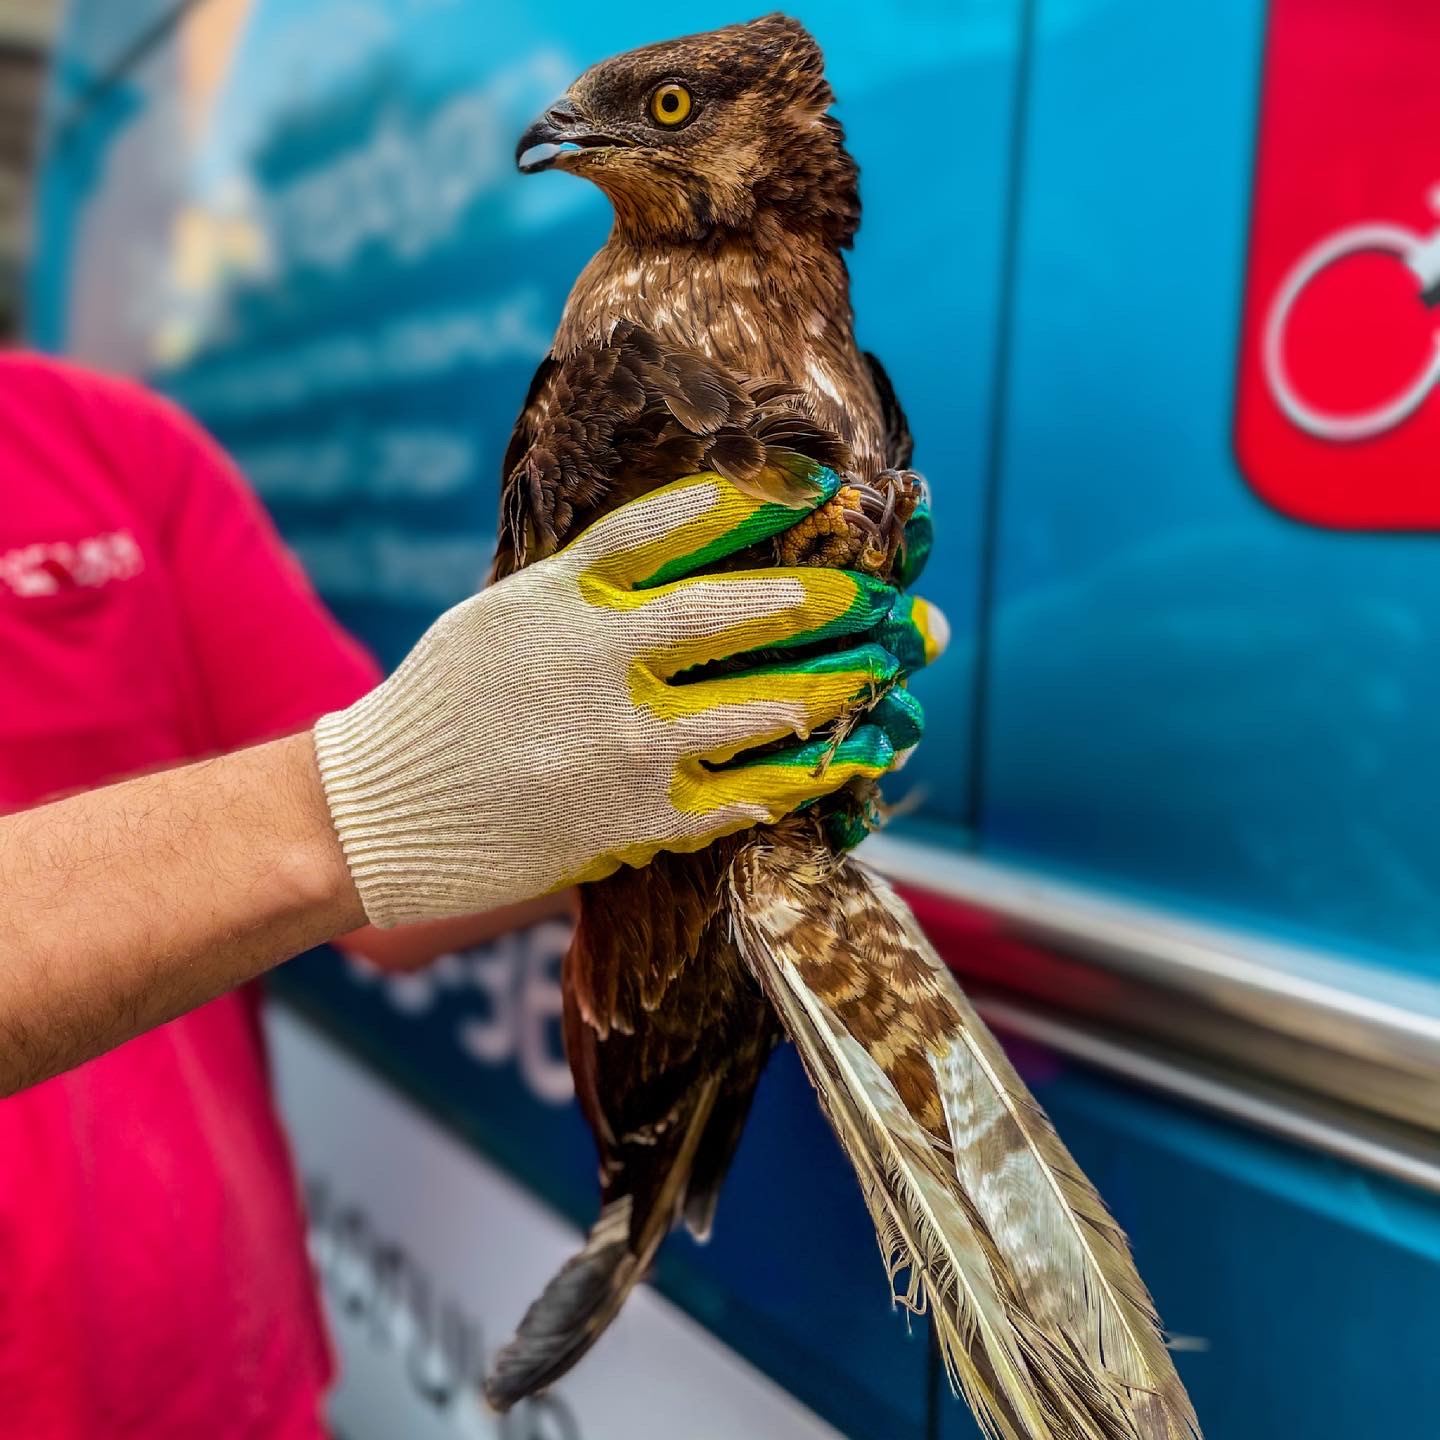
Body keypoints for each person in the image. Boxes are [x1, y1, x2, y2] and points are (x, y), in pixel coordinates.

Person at [0, 353, 945, 1438]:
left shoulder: (103, 443)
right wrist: (357, 800)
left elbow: (393, 893)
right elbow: (361, 818)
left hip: (220, 1384)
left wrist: (694, 781)